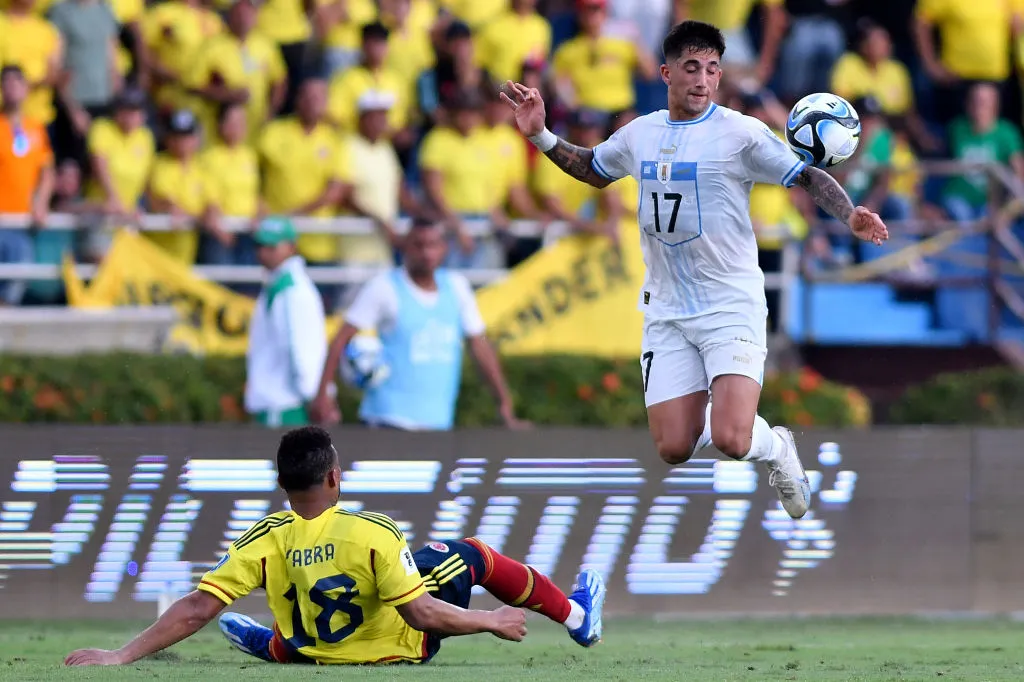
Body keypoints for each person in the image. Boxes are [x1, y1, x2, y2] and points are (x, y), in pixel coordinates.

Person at [500, 20, 889, 520]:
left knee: (731, 438)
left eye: (712, 69)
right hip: (666, 308)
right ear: (665, 73)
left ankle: (775, 448)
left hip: (729, 302)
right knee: (673, 446)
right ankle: (739, 427)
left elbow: (806, 175)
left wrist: (850, 213)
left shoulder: (741, 133)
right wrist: (541, 136)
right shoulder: (640, 134)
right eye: (691, 68)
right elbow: (594, 170)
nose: (703, 79)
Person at [64, 426, 605, 666]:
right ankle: (578, 617)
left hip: (317, 651)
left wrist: (121, 654)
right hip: (397, 649)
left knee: (288, 609)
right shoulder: (375, 531)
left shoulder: (261, 539)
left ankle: (278, 644)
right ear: (334, 478)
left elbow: (196, 608)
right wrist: (492, 620)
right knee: (473, 555)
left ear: (285, 485)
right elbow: (419, 614)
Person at [309, 218, 528, 431]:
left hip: (437, 423)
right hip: (388, 421)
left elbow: (479, 345)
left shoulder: (456, 288)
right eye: (418, 245)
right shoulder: (385, 287)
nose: (426, 253)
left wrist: (503, 402)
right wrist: (324, 393)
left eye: (433, 245)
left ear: (444, 248)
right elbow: (341, 338)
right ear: (405, 247)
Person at [244, 217, 330, 427]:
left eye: (272, 247)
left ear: (292, 247)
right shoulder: (279, 285)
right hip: (283, 402)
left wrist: (312, 396)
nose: (263, 253)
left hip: (286, 406)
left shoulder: (290, 290)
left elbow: (298, 347)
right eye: (260, 246)